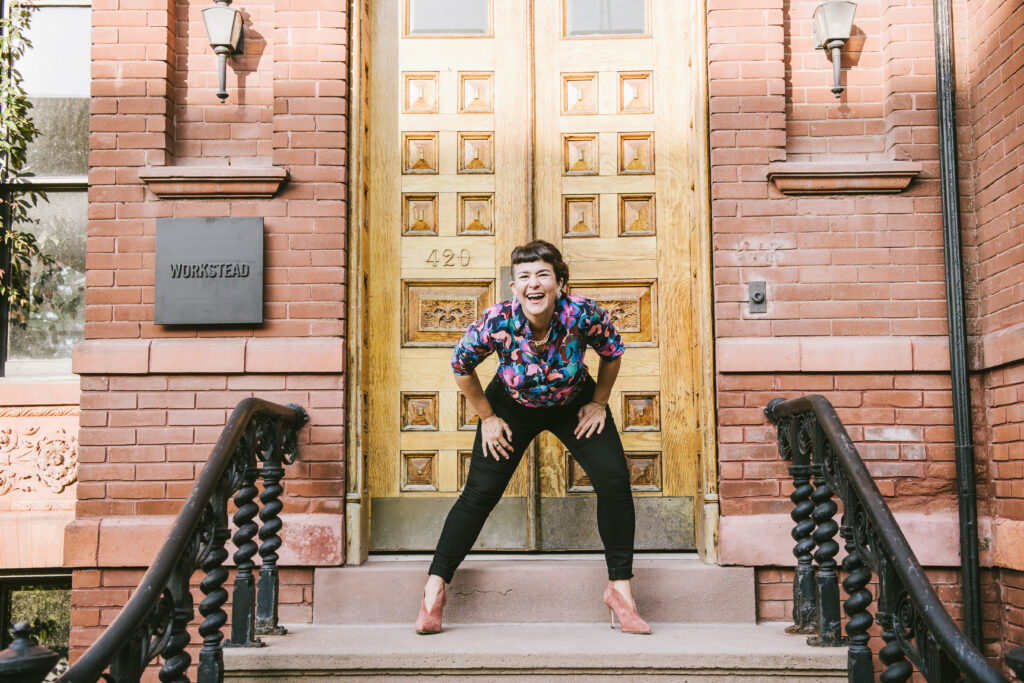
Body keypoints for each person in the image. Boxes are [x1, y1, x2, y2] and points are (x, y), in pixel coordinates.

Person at [414, 239, 650, 635]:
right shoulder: (498, 320)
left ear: (559, 283)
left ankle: (621, 591)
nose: (533, 284)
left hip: (572, 402)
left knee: (614, 480)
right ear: (513, 287)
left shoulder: (582, 314)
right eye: (524, 276)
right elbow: (460, 365)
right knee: (479, 495)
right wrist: (487, 417)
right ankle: (433, 591)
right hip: (510, 407)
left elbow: (612, 351)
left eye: (543, 275)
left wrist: (599, 403)